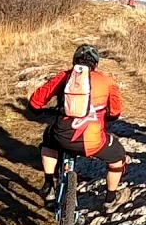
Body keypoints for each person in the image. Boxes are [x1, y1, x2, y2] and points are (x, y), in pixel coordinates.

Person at [30, 44, 131, 213]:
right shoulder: (107, 81)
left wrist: (44, 111)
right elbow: (115, 113)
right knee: (118, 158)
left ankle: (49, 186)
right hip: (93, 142)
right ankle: (110, 200)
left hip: (61, 137)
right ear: (96, 64)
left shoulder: (64, 77)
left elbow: (35, 103)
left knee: (48, 138)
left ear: (74, 62)